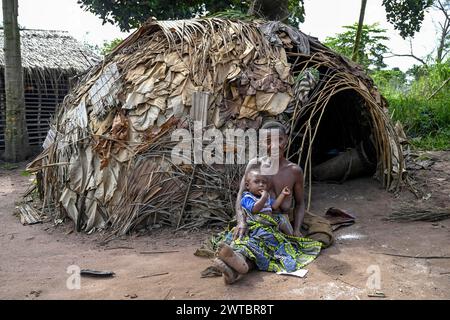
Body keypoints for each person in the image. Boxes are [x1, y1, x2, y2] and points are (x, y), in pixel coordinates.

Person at [213, 121, 322, 284]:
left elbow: (300, 204)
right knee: (246, 238)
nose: (275, 145)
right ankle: (237, 265)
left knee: (267, 243)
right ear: (262, 143)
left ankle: (235, 268)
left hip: (277, 225)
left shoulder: (294, 171)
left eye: (280, 140)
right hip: (253, 220)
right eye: (268, 141)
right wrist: (241, 222)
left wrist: (297, 229)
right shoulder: (255, 165)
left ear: (286, 140)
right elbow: (240, 196)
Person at [241, 166, 294, 236]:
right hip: (257, 223)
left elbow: (274, 206)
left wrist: (282, 194)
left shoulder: (266, 196)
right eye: (256, 182)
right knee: (265, 234)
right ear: (247, 185)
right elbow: (254, 210)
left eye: (264, 182)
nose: (261, 185)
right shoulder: (247, 197)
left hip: (269, 221)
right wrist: (263, 198)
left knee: (283, 219)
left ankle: (291, 236)